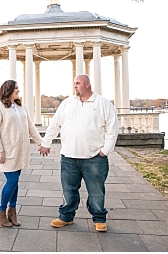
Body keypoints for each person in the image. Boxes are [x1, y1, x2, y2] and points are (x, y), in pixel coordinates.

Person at [38, 74, 119, 232]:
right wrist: (45, 143)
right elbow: (55, 124)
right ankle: (66, 217)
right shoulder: (67, 103)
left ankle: (99, 219)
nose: (74, 86)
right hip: (69, 157)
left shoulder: (103, 104)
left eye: (78, 83)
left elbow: (112, 129)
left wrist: (105, 151)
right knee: (68, 190)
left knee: (96, 191)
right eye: (74, 83)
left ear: (87, 84)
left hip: (94, 157)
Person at [0, 80, 45, 227]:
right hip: (6, 151)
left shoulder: (20, 107)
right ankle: (1, 211)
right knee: (12, 180)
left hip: (20, 150)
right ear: (8, 90)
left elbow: (30, 126)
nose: (18, 91)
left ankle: (12, 211)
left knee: (15, 182)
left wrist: (41, 143)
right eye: (16, 88)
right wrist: (0, 150)